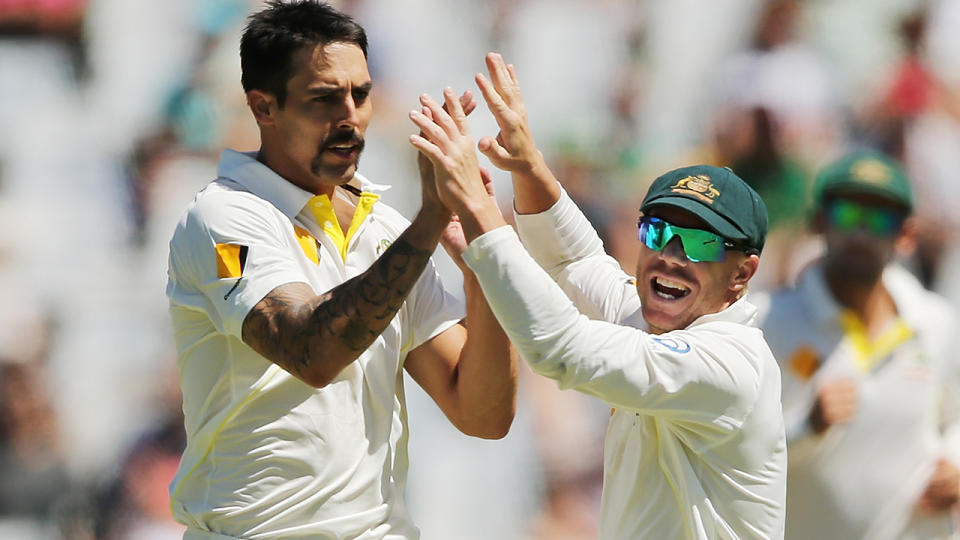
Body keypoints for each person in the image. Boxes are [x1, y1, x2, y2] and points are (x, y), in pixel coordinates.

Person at [164, 3, 517, 538]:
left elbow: (483, 415)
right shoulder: (223, 217)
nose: (349, 116)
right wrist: (428, 223)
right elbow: (309, 351)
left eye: (361, 94)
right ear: (264, 107)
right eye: (324, 99)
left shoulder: (388, 232)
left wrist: (483, 266)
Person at [408, 52, 786, 540]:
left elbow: (560, 350)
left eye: (701, 243)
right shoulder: (654, 321)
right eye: (657, 232)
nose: (671, 255)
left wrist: (480, 208)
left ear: (743, 274)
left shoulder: (726, 363)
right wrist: (528, 165)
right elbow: (576, 263)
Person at [753, 150, 960, 540]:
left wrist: (955, 465)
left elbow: (954, 419)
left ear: (906, 235)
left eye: (880, 219)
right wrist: (806, 428)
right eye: (848, 215)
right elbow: (735, 451)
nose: (862, 233)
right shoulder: (767, 321)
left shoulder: (935, 322)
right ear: (818, 223)